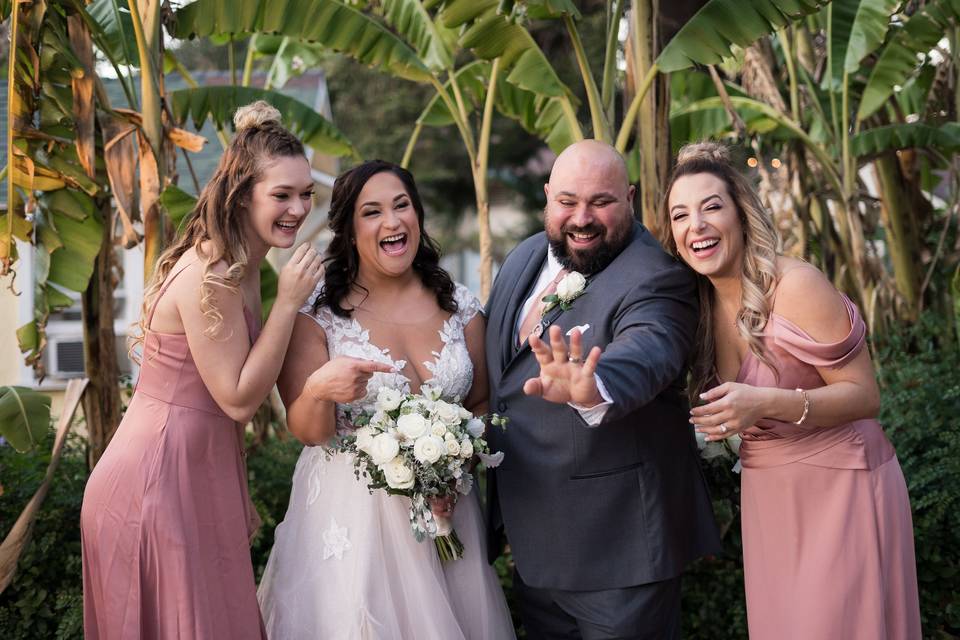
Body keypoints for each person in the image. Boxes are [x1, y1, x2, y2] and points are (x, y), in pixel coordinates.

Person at [80, 101, 323, 639]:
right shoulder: (211, 271)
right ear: (242, 195)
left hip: (194, 480)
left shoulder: (242, 263)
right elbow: (237, 398)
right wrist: (286, 303)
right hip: (154, 487)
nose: (299, 207)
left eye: (306, 193)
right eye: (281, 195)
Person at [661, 141, 921, 639]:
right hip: (770, 499)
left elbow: (865, 396)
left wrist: (767, 402)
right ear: (673, 236)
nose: (697, 224)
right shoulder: (697, 309)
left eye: (712, 206)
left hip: (842, 487)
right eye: (680, 215)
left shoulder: (796, 285)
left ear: (742, 213)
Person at [256, 160, 515, 639]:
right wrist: (319, 389)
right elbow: (308, 430)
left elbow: (480, 405)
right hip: (355, 522)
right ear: (350, 232)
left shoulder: (461, 308)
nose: (393, 222)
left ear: (418, 215)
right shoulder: (318, 316)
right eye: (372, 212)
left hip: (446, 514)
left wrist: (456, 471)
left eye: (402, 206)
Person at [484, 139, 720, 639]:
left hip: (620, 555)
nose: (582, 218)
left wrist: (595, 386)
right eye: (567, 201)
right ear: (548, 196)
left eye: (602, 202)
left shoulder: (657, 276)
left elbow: (650, 349)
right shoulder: (525, 256)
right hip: (535, 552)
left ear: (629, 198)